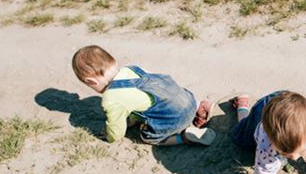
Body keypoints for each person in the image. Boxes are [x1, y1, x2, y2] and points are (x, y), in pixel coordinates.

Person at [71, 45, 215, 146]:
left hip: (176, 118)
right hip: (188, 99)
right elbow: (149, 93)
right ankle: (200, 106)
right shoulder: (132, 69)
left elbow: (117, 130)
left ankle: (184, 137)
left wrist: (110, 137)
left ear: (91, 81)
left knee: (148, 137)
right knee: (167, 94)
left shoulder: (111, 98)